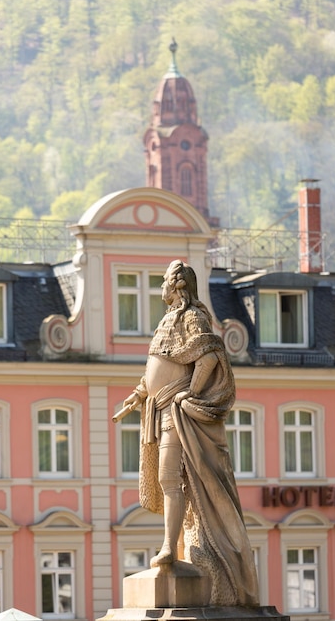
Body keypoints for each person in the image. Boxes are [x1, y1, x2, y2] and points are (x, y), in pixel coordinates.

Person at [123, 260, 259, 607]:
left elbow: (210, 354)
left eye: (164, 283)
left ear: (178, 286)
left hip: (179, 411)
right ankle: (174, 543)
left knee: (172, 477)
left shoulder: (193, 316)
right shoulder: (166, 320)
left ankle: (170, 546)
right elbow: (159, 363)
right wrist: (139, 394)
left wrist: (191, 392)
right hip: (159, 407)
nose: (161, 290)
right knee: (168, 478)